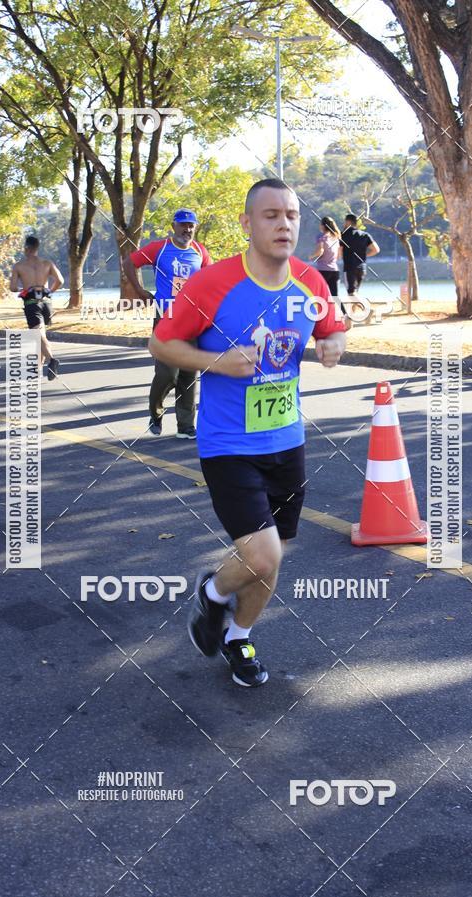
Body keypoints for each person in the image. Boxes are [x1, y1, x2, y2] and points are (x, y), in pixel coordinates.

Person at [149, 178, 346, 687]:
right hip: (228, 444)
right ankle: (212, 592)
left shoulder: (311, 281)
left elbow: (333, 326)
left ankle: (238, 635)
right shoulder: (212, 284)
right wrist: (216, 360)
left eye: (292, 215)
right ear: (246, 224)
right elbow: (162, 345)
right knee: (263, 554)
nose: (284, 224)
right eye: (270, 215)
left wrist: (334, 344)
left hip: (287, 441)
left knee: (268, 559)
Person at [124, 209, 211, 439]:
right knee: (167, 374)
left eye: (191, 225)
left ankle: (185, 426)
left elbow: (211, 280)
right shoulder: (159, 248)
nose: (187, 229)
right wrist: (139, 290)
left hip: (192, 319)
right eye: (183, 225)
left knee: (188, 374)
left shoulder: (199, 251)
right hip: (166, 319)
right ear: (173, 226)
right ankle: (156, 412)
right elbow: (129, 262)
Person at [9, 235, 64, 380]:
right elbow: (60, 281)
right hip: (46, 302)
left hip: (31, 303)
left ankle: (52, 360)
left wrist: (25, 288)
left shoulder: (19, 266)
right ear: (37, 248)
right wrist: (49, 291)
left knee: (37, 335)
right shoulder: (47, 263)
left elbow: (13, 287)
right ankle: (36, 370)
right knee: (40, 336)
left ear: (26, 248)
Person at [339, 213, 380, 297]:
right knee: (355, 291)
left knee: (351, 293)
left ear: (347, 222)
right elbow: (376, 250)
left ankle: (366, 308)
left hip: (349, 267)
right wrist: (364, 255)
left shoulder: (343, 235)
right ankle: (354, 310)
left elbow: (340, 252)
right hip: (362, 268)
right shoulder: (365, 235)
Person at [310, 216, 340, 298]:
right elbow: (338, 255)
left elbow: (320, 251)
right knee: (335, 296)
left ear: (323, 226)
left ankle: (317, 310)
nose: (319, 226)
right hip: (334, 270)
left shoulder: (321, 237)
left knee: (317, 293)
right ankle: (344, 311)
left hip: (323, 270)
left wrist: (312, 256)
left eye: (320, 224)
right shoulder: (335, 238)